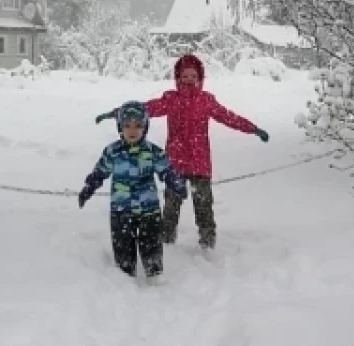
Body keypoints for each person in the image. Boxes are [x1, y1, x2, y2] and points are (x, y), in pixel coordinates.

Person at [95, 54, 268, 250]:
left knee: (204, 206)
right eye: (185, 76)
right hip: (175, 163)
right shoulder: (171, 99)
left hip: (200, 163)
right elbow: (143, 109)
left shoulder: (206, 100)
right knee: (171, 206)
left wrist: (253, 129)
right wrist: (115, 112)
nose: (189, 80)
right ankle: (167, 242)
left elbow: (229, 117)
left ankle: (208, 243)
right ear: (178, 78)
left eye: (193, 76)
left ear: (200, 78)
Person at [78, 101, 188, 280]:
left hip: (149, 209)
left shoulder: (153, 152)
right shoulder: (112, 152)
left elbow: (167, 170)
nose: (132, 130)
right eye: (127, 125)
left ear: (145, 127)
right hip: (121, 210)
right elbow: (100, 172)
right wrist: (89, 187)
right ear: (120, 127)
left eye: (138, 125)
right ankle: (125, 277)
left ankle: (154, 275)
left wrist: (177, 183)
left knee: (151, 243)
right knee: (123, 246)